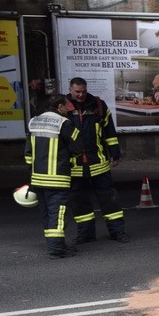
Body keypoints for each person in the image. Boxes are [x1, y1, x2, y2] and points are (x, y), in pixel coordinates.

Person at [64, 77, 130, 244]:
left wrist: (115, 153)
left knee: (110, 201)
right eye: (77, 92)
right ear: (70, 90)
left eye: (83, 91)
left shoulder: (97, 105)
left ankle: (118, 232)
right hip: (75, 166)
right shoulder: (63, 107)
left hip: (98, 163)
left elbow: (109, 131)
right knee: (80, 203)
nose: (80, 95)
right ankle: (86, 235)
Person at [24, 95, 83, 258]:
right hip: (57, 179)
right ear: (59, 106)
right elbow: (78, 146)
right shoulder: (63, 123)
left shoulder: (34, 121)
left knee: (47, 213)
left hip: (38, 179)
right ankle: (56, 250)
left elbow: (28, 153)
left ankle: (58, 245)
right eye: (66, 106)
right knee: (57, 215)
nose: (68, 109)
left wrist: (33, 172)